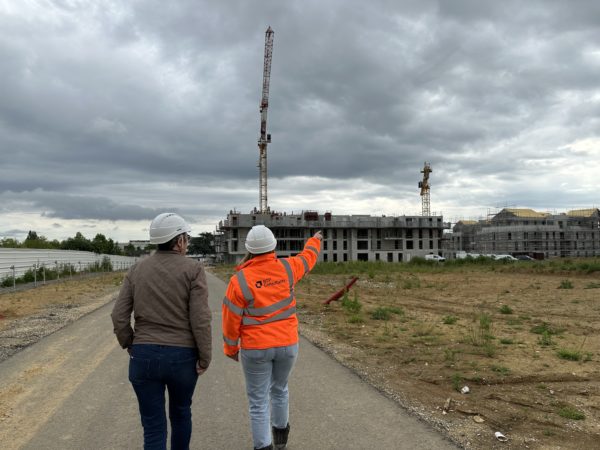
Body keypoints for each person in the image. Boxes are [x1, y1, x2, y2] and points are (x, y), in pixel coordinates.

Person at [111, 212, 212, 450]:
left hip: (144, 356)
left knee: (153, 427)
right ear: (179, 241)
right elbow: (200, 319)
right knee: (180, 414)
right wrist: (205, 356)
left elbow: (119, 315)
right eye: (186, 238)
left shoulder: (136, 270)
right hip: (182, 358)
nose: (187, 243)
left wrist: (130, 343)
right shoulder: (194, 269)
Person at [222, 225, 322, 450]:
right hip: (287, 345)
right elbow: (308, 259)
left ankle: (264, 446)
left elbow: (230, 319)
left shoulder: (239, 281)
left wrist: (230, 348)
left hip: (256, 348)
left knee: (258, 402)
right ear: (273, 246)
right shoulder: (288, 268)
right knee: (280, 389)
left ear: (248, 249)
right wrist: (315, 240)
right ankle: (281, 442)